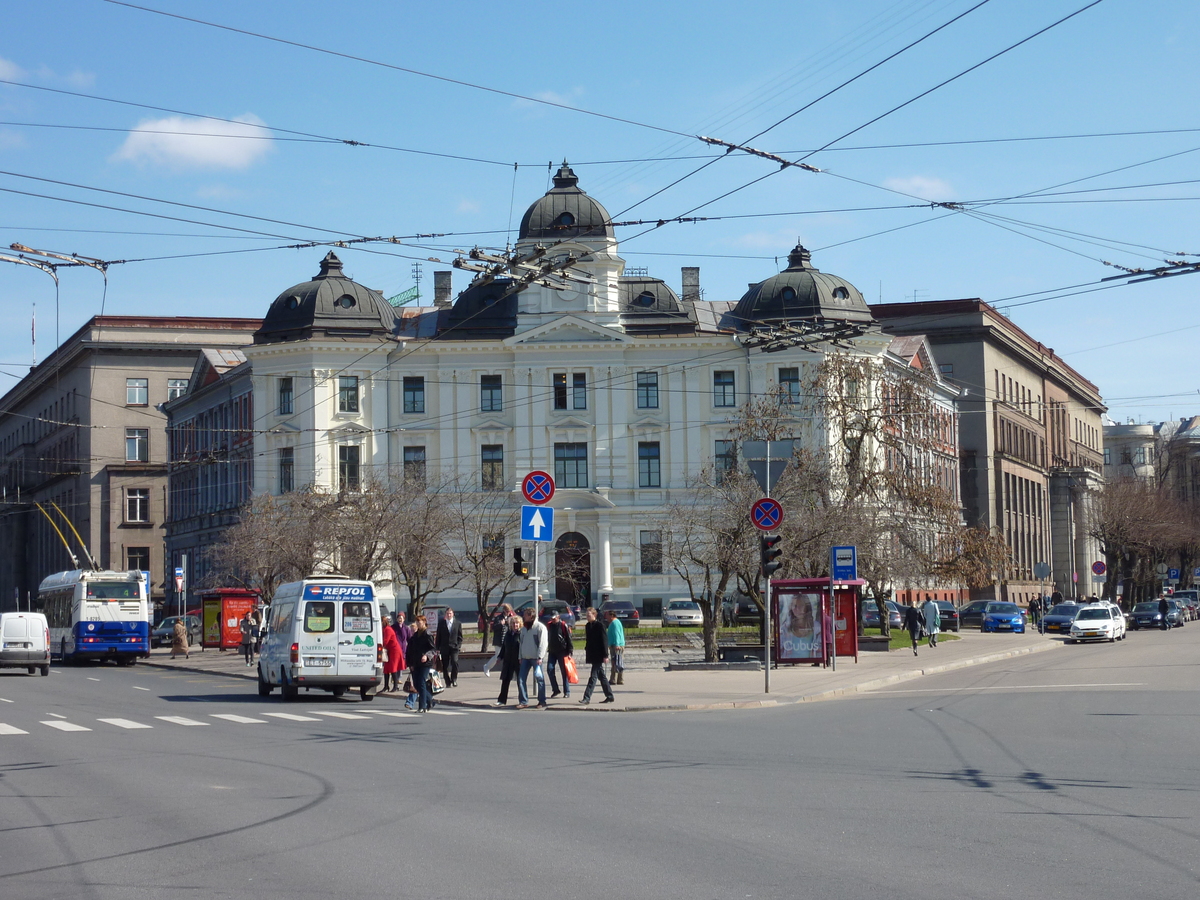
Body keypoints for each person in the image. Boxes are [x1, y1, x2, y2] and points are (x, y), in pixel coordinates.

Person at [579, 607, 615, 705]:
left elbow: (604, 640)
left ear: (594, 615)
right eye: (586, 615)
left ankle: (586, 698)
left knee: (593, 677)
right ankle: (610, 696)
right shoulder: (587, 626)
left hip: (599, 655)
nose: (587, 617)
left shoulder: (600, 625)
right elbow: (588, 640)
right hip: (592, 654)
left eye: (589, 615)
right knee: (602, 676)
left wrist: (605, 655)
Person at [517, 607, 548, 709]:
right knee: (521, 679)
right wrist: (520, 656)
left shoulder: (540, 627)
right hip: (525, 658)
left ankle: (542, 701)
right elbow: (521, 644)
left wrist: (540, 657)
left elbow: (543, 643)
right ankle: (523, 701)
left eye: (525, 615)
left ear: (531, 616)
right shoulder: (523, 629)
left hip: (536, 658)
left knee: (540, 679)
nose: (523, 616)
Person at [406, 615, 437, 712]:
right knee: (416, 684)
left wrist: (427, 656)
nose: (418, 623)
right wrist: (410, 663)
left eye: (420, 621)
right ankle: (430, 699)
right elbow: (410, 650)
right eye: (417, 621)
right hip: (416, 663)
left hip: (425, 663)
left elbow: (433, 649)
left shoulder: (427, 634)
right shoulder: (415, 636)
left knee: (422, 682)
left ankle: (422, 706)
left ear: (424, 622)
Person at [494, 615, 522, 706]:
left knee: (520, 681)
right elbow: (504, 647)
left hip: (518, 661)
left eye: (517, 623)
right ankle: (502, 700)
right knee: (505, 680)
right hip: (508, 660)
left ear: (520, 624)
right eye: (513, 623)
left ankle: (522, 700)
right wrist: (499, 657)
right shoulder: (508, 634)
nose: (515, 625)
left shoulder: (521, 634)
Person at [546, 609, 574, 699]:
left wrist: (570, 651)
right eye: (552, 618)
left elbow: (569, 638)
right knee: (550, 669)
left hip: (562, 651)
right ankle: (555, 689)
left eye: (554, 618)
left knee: (564, 672)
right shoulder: (549, 625)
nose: (553, 620)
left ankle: (567, 691)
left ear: (558, 617)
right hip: (552, 651)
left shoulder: (563, 625)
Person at [483, 603, 513, 677]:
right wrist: (501, 624)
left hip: (507, 640)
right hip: (499, 640)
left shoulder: (510, 618)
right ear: (504, 611)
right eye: (507, 611)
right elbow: (494, 628)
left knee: (508, 656)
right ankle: (487, 667)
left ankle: (509, 671)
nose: (508, 613)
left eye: (509, 611)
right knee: (497, 656)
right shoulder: (499, 618)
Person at [381, 614, 404, 692]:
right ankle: (386, 686)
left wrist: (379, 646)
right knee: (386, 668)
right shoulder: (384, 629)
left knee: (393, 668)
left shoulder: (388, 629)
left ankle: (395, 686)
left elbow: (385, 641)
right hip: (389, 650)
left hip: (394, 650)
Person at [606, 609, 626, 685]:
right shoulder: (614, 622)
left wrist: (617, 644)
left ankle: (613, 679)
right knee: (618, 661)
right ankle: (619, 679)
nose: (606, 617)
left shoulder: (614, 623)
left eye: (607, 615)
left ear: (611, 615)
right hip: (615, 644)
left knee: (616, 662)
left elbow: (617, 634)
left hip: (616, 645)